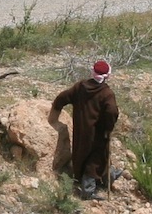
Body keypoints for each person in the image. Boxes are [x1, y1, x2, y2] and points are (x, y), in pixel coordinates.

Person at [50, 59, 120, 200]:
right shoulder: (106, 93)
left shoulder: (81, 87)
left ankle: (108, 177)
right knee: (95, 158)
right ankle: (88, 190)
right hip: (97, 133)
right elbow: (112, 112)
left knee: (84, 154)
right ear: (107, 75)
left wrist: (55, 113)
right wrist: (108, 127)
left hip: (81, 131)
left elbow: (62, 97)